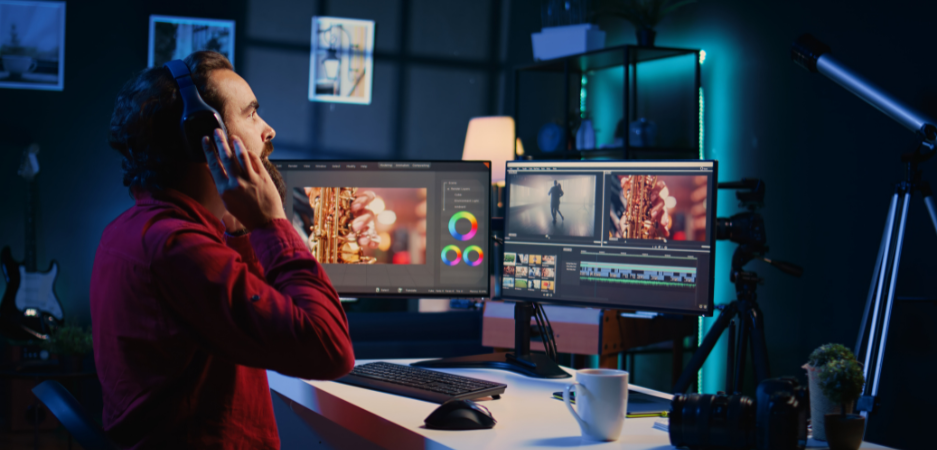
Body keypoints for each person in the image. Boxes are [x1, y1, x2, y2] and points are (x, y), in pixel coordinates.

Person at [91, 51, 355, 449]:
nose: (269, 131)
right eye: (251, 114)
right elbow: (330, 349)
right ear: (203, 134)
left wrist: (241, 227)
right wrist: (271, 223)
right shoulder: (177, 249)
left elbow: (261, 310)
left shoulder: (136, 230)